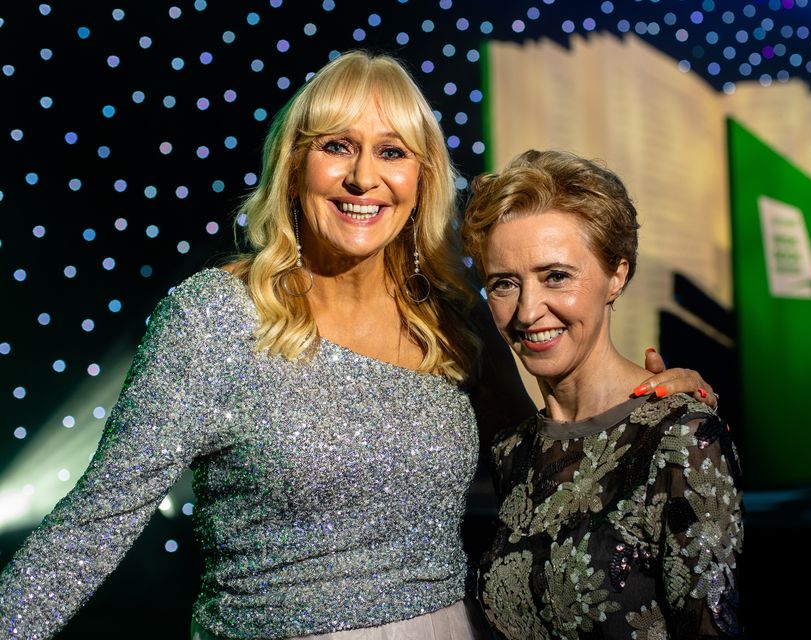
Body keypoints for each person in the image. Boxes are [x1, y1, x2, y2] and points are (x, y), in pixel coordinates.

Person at [0, 53, 716, 639]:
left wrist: (637, 407)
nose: (361, 177)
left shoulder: (449, 318)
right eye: (337, 147)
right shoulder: (212, 317)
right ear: (294, 166)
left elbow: (537, 463)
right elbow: (92, 524)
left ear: (421, 179)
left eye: (391, 152)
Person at [462, 150, 743, 639]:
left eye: (556, 276)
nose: (528, 311)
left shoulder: (681, 436)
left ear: (616, 275)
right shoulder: (513, 450)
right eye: (504, 284)